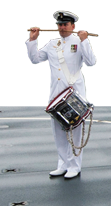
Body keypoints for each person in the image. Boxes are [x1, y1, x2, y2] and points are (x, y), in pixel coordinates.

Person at [27, 11, 95, 179]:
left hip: (74, 93)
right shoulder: (52, 44)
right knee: (58, 130)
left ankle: (74, 165)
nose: (62, 27)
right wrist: (33, 39)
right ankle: (62, 163)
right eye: (60, 25)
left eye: (65, 24)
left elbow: (91, 62)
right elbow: (34, 58)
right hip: (57, 93)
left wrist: (85, 40)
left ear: (73, 26)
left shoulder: (79, 42)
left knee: (75, 130)